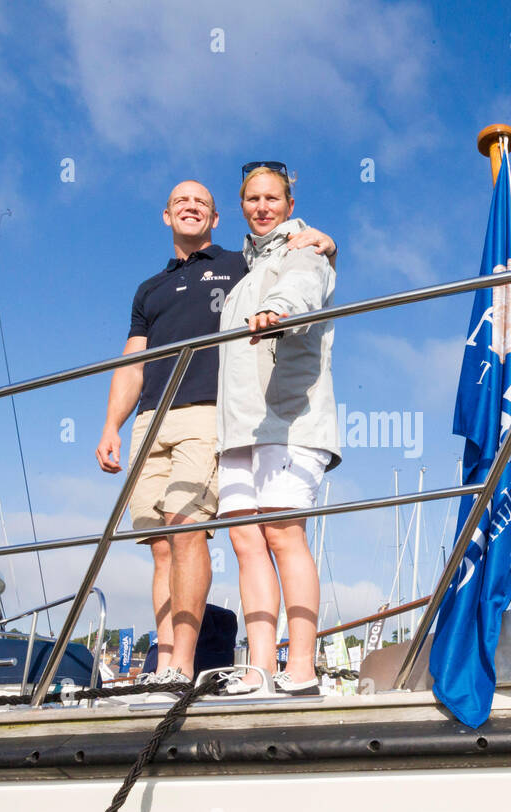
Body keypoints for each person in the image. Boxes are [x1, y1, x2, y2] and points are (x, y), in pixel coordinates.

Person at [96, 179, 334, 688]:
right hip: (148, 420)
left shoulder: (238, 263)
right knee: (160, 542)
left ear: (216, 218)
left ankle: (185, 666)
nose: (190, 208)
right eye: (181, 201)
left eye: (202, 202)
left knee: (187, 528)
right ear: (166, 216)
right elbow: (133, 361)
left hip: (210, 414)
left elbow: (292, 263)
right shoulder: (149, 289)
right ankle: (162, 668)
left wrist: (325, 241)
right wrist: (111, 425)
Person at [217, 163, 338, 696]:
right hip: (238, 425)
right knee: (245, 540)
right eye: (252, 198)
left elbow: (305, 285)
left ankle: (303, 667)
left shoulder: (303, 248)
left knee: (283, 533)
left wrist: (277, 310)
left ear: (289, 204)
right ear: (242, 206)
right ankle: (258, 667)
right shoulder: (245, 271)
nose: (262, 206)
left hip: (289, 419)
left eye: (272, 198)